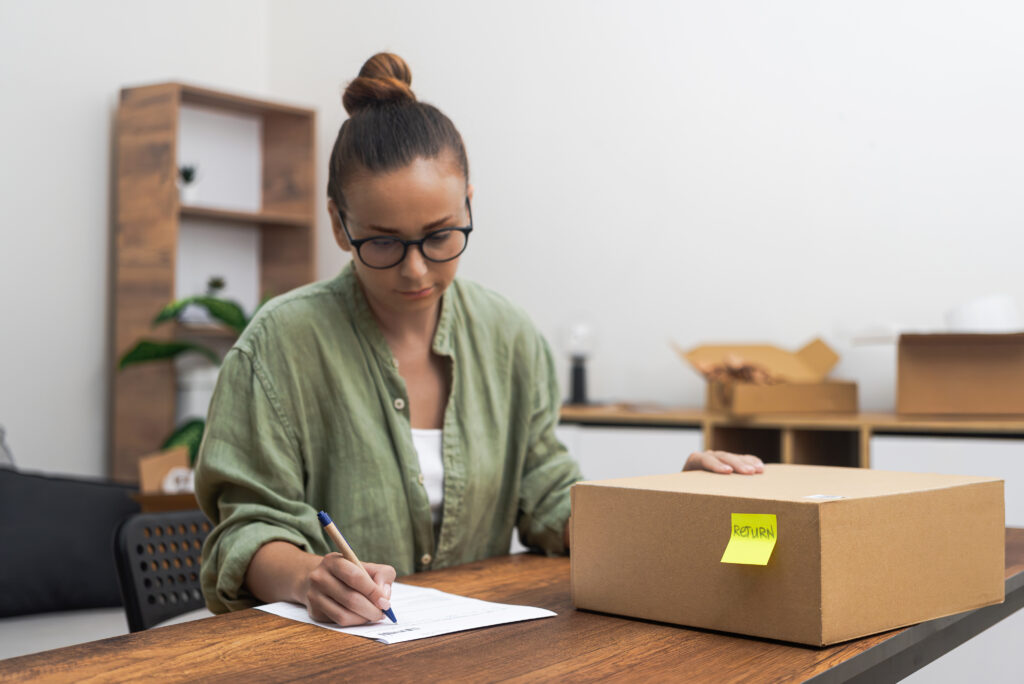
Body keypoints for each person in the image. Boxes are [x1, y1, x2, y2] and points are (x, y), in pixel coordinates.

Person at [195, 52, 764, 628]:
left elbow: (546, 494)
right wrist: (305, 577)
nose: (416, 271)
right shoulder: (278, 345)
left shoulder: (510, 337)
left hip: (476, 649)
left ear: (469, 202)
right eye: (384, 243)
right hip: (329, 655)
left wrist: (664, 511)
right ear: (340, 225)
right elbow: (246, 528)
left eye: (440, 236)